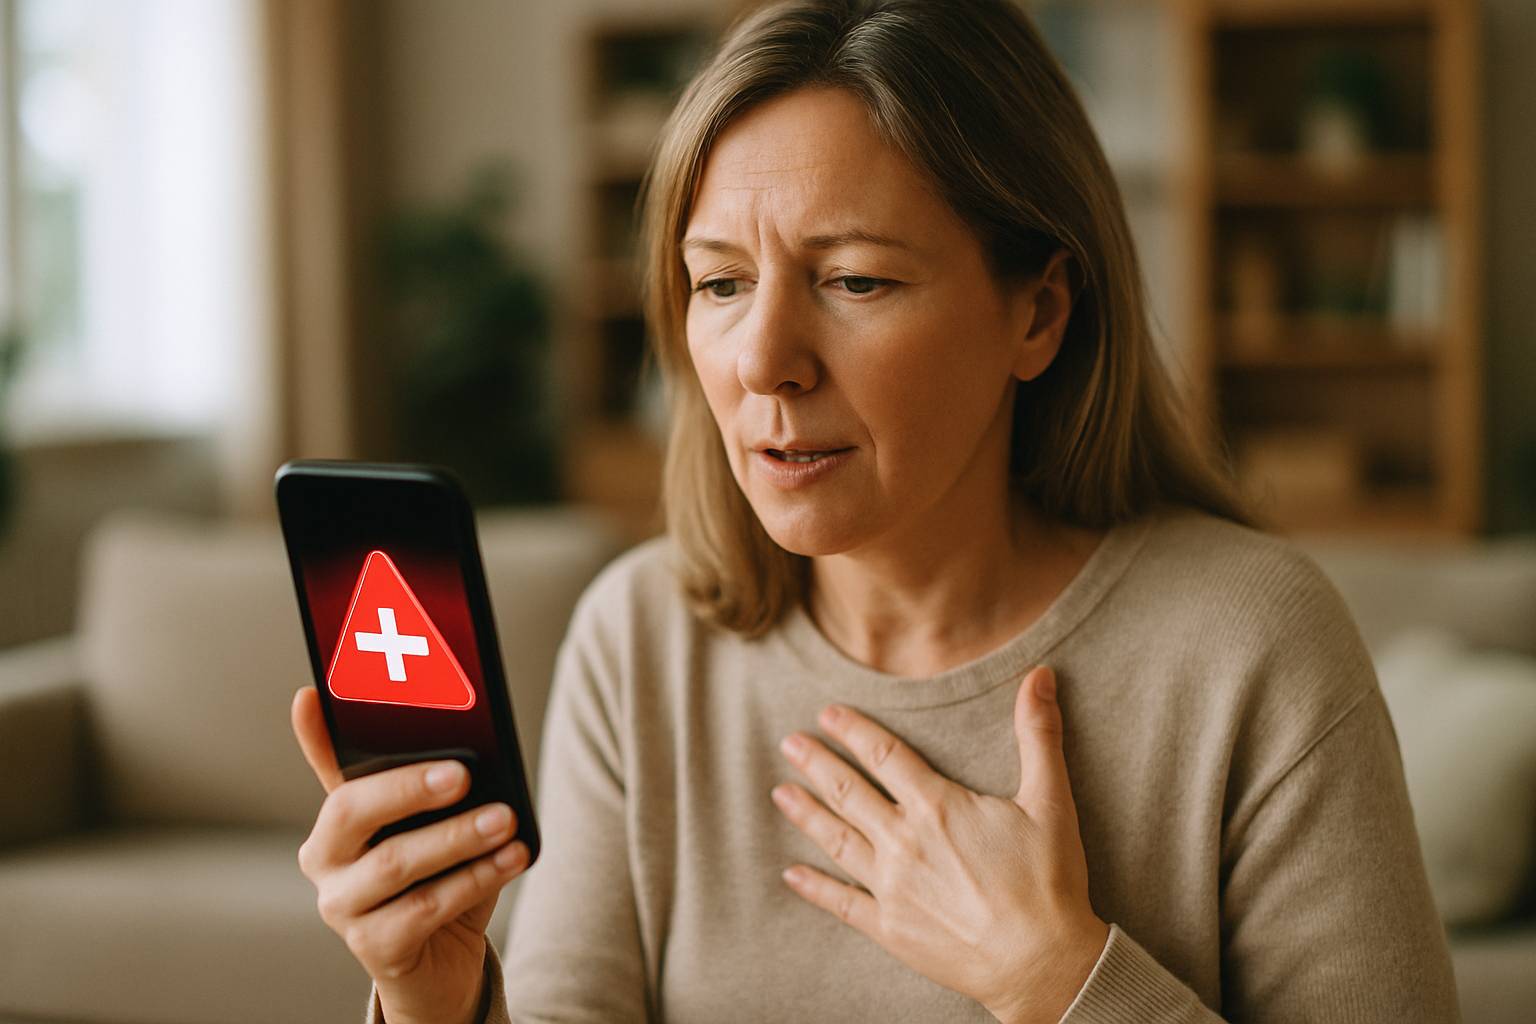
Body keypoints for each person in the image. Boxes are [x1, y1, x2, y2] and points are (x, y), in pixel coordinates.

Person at [290, 1, 1462, 1021]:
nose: (766, 361)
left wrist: (1061, 978)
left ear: (1038, 315)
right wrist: (436, 1004)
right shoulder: (639, 641)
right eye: (720, 284)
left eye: (855, 279)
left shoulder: (1254, 645)